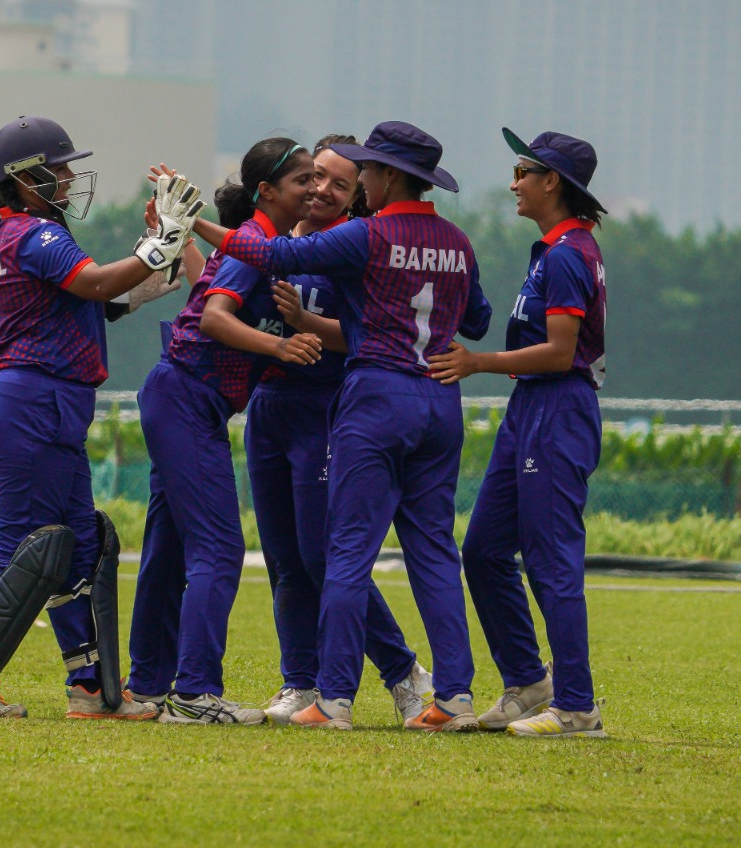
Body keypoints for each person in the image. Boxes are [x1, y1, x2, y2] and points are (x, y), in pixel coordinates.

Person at [191, 121, 492, 731]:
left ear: (384, 176)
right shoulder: (458, 241)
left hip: (375, 398)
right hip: (439, 398)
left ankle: (333, 700)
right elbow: (479, 321)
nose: (355, 184)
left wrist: (191, 220)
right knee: (433, 549)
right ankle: (453, 698)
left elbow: (270, 252)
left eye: (365, 172)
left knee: (347, 550)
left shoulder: (367, 235)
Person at [0, 115, 203, 719]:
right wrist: (159, 244)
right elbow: (103, 281)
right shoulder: (35, 235)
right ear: (23, 180)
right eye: (58, 169)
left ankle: (89, 688)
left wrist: (170, 246)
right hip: (32, 403)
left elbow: (114, 296)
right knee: (20, 551)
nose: (69, 177)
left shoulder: (28, 237)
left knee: (79, 548)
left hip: (43, 405)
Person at [127, 137, 323, 725]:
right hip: (186, 397)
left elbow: (204, 286)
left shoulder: (266, 245)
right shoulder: (259, 242)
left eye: (318, 178)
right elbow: (214, 315)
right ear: (267, 193)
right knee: (219, 547)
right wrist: (281, 346)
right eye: (302, 181)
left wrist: (184, 233)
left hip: (185, 402)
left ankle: (145, 688)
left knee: (168, 551)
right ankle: (195, 695)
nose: (314, 189)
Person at [428, 127, 608, 739]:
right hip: (530, 410)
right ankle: (530, 683)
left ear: (552, 181)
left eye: (522, 173)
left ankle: (578, 708)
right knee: (481, 551)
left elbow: (560, 353)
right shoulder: (554, 249)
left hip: (558, 408)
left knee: (552, 562)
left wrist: (477, 362)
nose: (513, 185)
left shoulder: (567, 254)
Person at [249, 135, 434, 726]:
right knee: (282, 558)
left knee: (323, 556)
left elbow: (374, 337)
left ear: (359, 195)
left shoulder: (361, 250)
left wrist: (307, 324)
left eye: (339, 183)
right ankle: (299, 681)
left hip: (326, 409)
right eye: (314, 177)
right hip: (267, 407)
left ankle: (402, 671)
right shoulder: (276, 239)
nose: (321, 190)